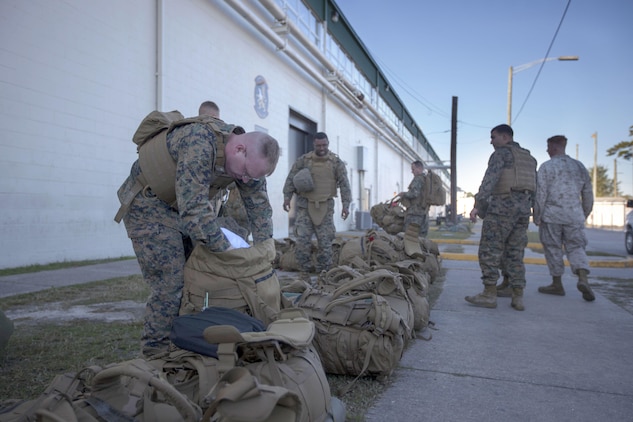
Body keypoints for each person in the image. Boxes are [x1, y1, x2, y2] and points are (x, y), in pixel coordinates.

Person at [116, 115, 280, 357]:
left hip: (181, 208)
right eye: (245, 173)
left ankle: (186, 341)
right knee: (171, 284)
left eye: (252, 177)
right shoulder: (199, 142)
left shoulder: (247, 165)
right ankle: (156, 355)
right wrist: (229, 253)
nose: (245, 180)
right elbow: (194, 210)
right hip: (149, 208)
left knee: (199, 277)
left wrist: (265, 251)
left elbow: (259, 206)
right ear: (239, 149)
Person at [465, 124, 536, 311]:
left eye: (493, 137)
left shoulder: (500, 154)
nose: (491, 141)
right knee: (515, 252)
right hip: (522, 212)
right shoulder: (529, 158)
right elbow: (536, 187)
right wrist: (535, 210)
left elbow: (489, 181)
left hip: (501, 209)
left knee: (490, 250)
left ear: (505, 137)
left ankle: (489, 294)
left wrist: (477, 206)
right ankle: (516, 294)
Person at [533, 135, 595, 301]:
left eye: (548, 147)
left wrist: (536, 215)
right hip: (574, 216)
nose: (547, 150)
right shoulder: (579, 167)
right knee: (576, 248)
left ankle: (557, 284)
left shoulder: (547, 167)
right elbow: (588, 194)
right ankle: (583, 278)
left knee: (553, 248)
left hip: (552, 216)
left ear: (554, 147)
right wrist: (584, 213)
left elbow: (541, 194)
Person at [282, 132, 352, 275]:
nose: (321, 148)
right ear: (314, 144)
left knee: (326, 243)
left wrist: (346, 205)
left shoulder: (336, 163)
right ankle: (304, 272)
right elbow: (291, 178)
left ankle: (324, 273)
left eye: (324, 145)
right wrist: (287, 197)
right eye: (318, 145)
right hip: (305, 205)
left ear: (328, 144)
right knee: (302, 241)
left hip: (325, 207)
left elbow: (344, 184)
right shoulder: (304, 161)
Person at [399, 160, 430, 237]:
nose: (412, 172)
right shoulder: (426, 179)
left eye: (413, 169)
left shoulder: (418, 179)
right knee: (421, 237)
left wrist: (404, 194)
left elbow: (414, 193)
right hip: (424, 212)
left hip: (415, 213)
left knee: (408, 236)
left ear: (419, 168)